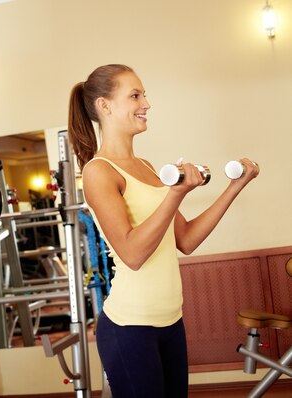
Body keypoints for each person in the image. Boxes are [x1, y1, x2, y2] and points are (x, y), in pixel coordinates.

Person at [68, 64, 259, 397]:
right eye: (135, 95)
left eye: (144, 95)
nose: (146, 104)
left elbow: (185, 240)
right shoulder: (98, 171)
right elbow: (132, 253)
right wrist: (175, 192)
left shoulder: (145, 167)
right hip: (130, 327)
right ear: (105, 105)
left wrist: (235, 186)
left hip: (170, 320)